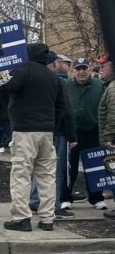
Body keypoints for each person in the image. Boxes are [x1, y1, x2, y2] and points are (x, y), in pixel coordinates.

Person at [0, 43, 69, 232]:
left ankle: (21, 217)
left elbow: (4, 85)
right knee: (46, 176)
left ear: (28, 54)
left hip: (24, 131)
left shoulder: (23, 70)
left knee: (21, 175)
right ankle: (47, 219)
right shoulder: (53, 78)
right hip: (46, 132)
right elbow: (63, 106)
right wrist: (51, 124)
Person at [28, 51, 77, 219]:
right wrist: (72, 135)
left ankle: (34, 201)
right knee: (54, 170)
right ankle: (53, 204)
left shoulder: (32, 81)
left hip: (35, 130)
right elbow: (66, 109)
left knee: (37, 168)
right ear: (53, 64)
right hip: (57, 132)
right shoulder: (58, 81)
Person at [63, 58, 106, 211]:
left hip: (93, 132)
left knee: (94, 166)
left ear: (90, 69)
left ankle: (96, 198)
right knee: (69, 168)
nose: (81, 72)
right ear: (73, 70)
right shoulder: (65, 85)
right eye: (78, 69)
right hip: (71, 133)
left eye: (84, 68)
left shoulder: (100, 86)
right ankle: (65, 197)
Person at [98, 55, 115, 218]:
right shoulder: (109, 86)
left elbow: (112, 114)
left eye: (105, 66)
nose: (101, 70)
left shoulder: (113, 87)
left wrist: (108, 137)